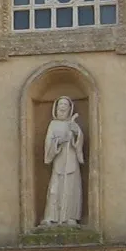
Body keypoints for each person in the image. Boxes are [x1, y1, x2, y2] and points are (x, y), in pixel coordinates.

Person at [41, 97, 84, 226]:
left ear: (70, 108)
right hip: (59, 160)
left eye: (65, 104)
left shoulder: (73, 124)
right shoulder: (53, 124)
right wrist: (58, 142)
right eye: (60, 104)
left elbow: (80, 141)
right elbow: (48, 143)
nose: (63, 107)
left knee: (70, 187)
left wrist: (76, 132)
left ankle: (70, 217)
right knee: (55, 188)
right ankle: (51, 216)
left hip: (71, 159)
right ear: (56, 107)